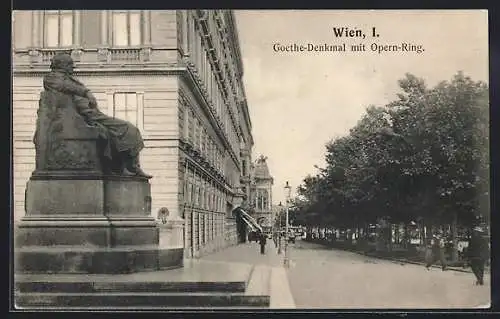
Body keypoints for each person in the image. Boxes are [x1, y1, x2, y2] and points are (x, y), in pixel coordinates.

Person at [42, 53, 151, 178]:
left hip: (91, 115)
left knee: (128, 130)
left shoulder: (68, 78)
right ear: (62, 65)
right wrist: (86, 92)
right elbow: (63, 86)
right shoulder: (51, 78)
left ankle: (128, 166)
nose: (73, 67)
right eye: (70, 65)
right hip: (86, 117)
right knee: (127, 129)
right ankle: (130, 166)